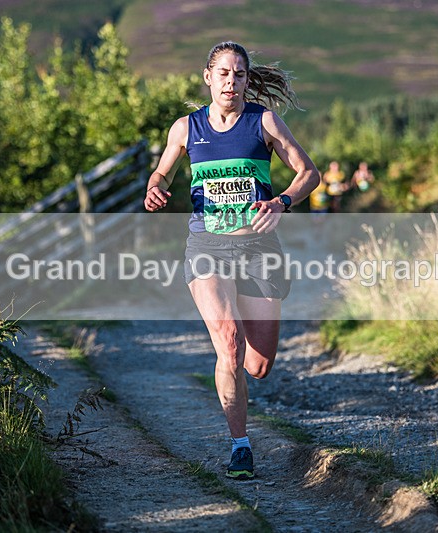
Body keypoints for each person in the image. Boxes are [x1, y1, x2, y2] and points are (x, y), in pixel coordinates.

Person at [144, 41, 319, 480]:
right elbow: (161, 171)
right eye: (223, 73)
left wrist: (281, 202)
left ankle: (233, 371)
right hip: (207, 246)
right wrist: (156, 186)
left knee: (257, 366)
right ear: (208, 77)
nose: (231, 81)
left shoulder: (264, 121)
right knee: (229, 341)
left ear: (246, 79)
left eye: (239, 74)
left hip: (258, 250)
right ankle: (241, 446)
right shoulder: (186, 128)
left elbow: (309, 173)